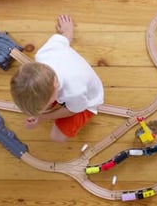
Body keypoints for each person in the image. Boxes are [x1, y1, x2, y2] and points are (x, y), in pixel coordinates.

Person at [10, 14, 104, 142]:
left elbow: (71, 111)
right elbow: (63, 40)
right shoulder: (43, 54)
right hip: (70, 82)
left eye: (48, 101)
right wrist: (67, 30)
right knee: (40, 105)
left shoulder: (74, 93)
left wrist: (42, 117)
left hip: (89, 100)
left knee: (57, 137)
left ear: (56, 87)